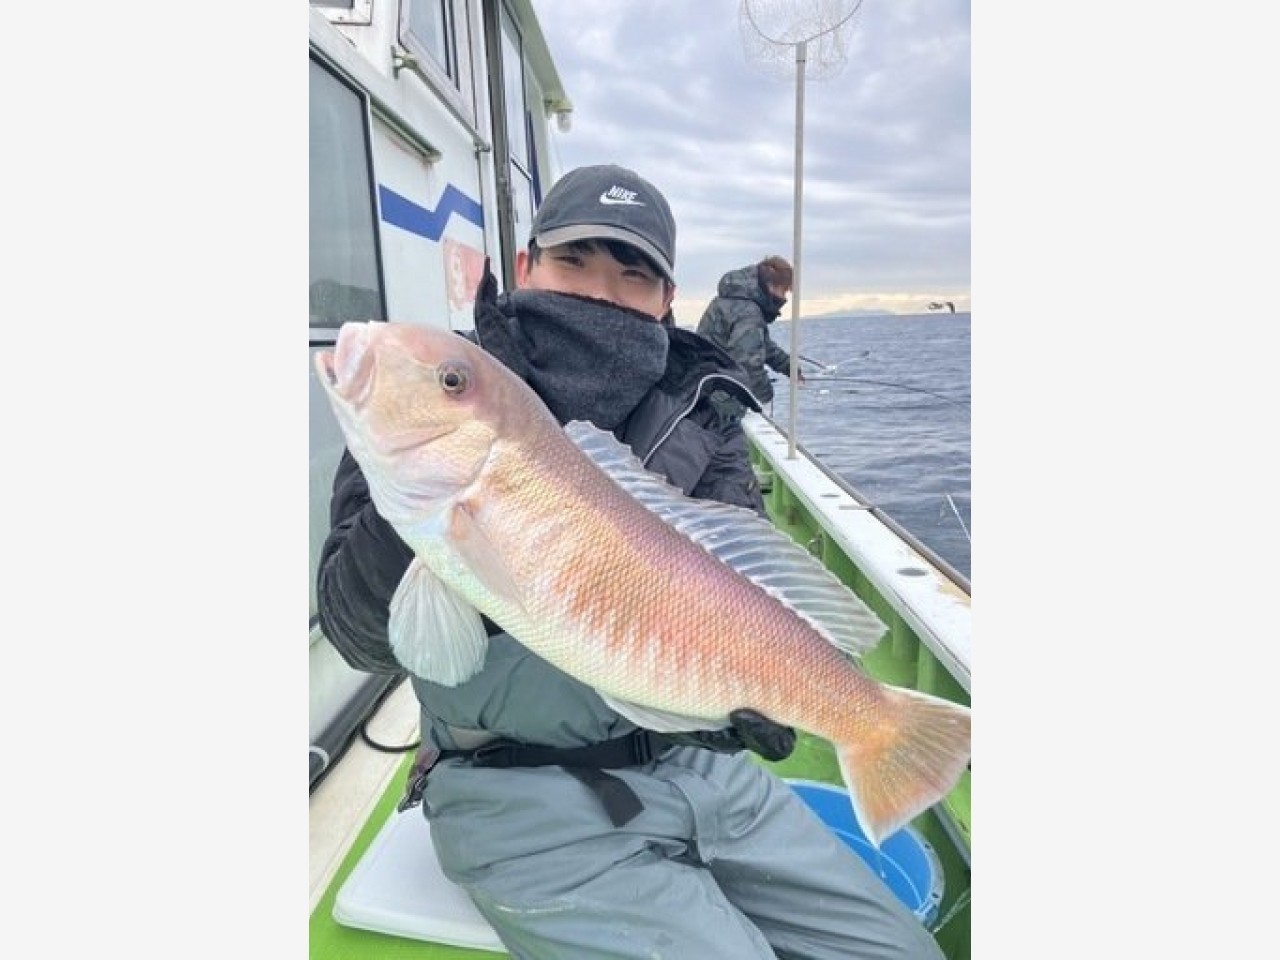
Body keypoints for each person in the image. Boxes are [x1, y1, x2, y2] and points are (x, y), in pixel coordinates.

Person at [316, 163, 942, 960]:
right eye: (572, 261)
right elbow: (360, 638)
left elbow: (743, 563)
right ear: (526, 266)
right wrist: (427, 512)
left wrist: (739, 712)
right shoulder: (428, 440)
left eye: (632, 275)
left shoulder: (702, 409)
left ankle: (881, 724)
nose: (599, 292)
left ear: (665, 298)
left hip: (694, 766)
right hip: (513, 788)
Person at [696, 255, 805, 406]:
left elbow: (763, 345)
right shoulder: (749, 313)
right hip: (717, 396)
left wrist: (789, 367)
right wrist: (766, 395)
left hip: (703, 383)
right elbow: (748, 366)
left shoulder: (730, 300)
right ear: (771, 286)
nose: (784, 297)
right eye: (784, 291)